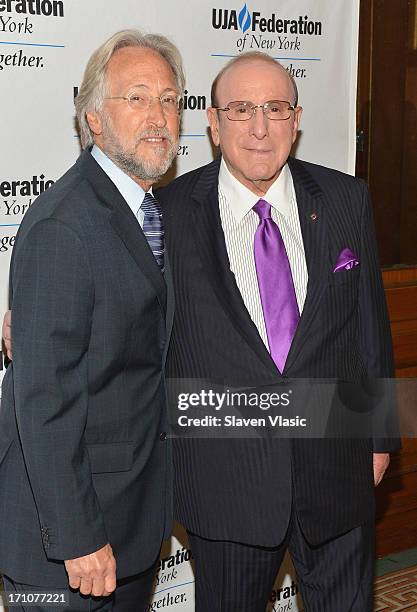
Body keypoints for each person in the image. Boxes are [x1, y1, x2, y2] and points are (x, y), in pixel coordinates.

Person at [155, 52, 398, 611]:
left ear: (297, 120)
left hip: (336, 473)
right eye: (241, 110)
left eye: (276, 108)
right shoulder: (167, 214)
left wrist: (381, 436)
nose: (260, 128)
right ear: (213, 125)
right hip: (227, 483)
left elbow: (367, 325)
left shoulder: (344, 200)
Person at [0, 29, 183, 611]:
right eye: (137, 98)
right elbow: (44, 399)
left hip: (130, 520)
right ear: (94, 119)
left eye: (170, 99)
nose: (158, 115)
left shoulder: (152, 213)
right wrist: (79, 536)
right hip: (66, 546)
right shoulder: (65, 224)